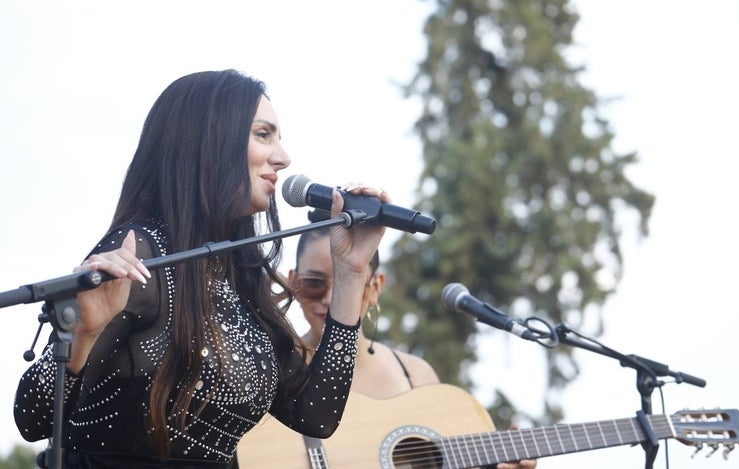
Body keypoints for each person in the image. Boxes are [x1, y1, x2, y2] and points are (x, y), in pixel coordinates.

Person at [13, 69, 387, 468]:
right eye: (263, 134)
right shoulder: (140, 254)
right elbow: (33, 419)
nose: (283, 156)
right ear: (210, 142)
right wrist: (81, 336)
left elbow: (315, 414)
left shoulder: (240, 272)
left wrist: (351, 270)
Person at [274, 212, 537, 469]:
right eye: (314, 283)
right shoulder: (274, 361)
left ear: (376, 287)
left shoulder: (415, 374)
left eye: (349, 281)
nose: (331, 298)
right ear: (293, 281)